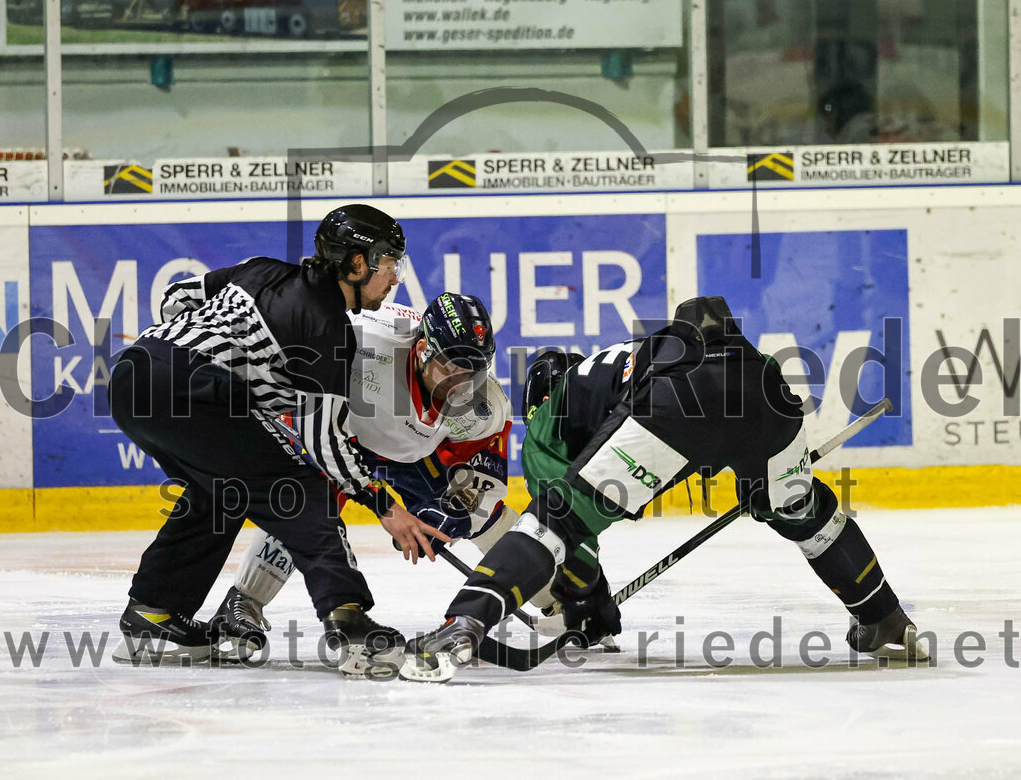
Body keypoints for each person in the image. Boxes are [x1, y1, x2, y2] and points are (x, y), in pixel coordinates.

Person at [400, 296, 928, 682]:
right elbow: (700, 432)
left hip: (677, 399)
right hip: (765, 386)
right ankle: (887, 621)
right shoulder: (612, 364)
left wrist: (586, 602)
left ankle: (463, 625)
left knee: (553, 521)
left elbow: (568, 541)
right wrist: (756, 479)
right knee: (807, 514)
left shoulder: (551, 415)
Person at [108, 204, 450, 673]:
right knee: (301, 488)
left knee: (222, 492)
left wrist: (205, 352)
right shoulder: (327, 330)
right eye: (388, 264)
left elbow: (177, 299)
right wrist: (386, 507)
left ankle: (154, 614)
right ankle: (349, 621)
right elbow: (324, 448)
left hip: (133, 375)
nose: (394, 279)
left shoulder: (261, 270)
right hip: (191, 390)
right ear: (355, 264)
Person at [212, 292, 528, 662]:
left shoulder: (484, 406)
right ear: (423, 348)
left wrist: (452, 509)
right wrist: (381, 503)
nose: (460, 384)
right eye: (451, 368)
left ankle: (560, 594)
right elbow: (304, 410)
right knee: (310, 503)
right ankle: (242, 602)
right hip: (338, 431)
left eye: (472, 372)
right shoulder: (360, 341)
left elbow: (478, 482)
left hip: (413, 452)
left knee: (484, 518)